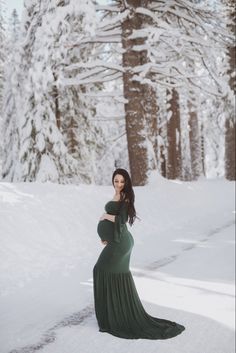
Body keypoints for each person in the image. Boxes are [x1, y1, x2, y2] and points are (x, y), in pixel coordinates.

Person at [93, 168, 185, 339]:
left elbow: (121, 220)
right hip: (117, 241)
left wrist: (105, 216)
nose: (119, 184)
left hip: (121, 243)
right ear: (113, 181)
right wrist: (106, 236)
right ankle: (111, 315)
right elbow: (116, 224)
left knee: (101, 270)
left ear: (126, 182)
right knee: (107, 272)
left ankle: (114, 317)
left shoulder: (126, 198)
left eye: (122, 181)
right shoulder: (117, 196)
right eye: (116, 181)